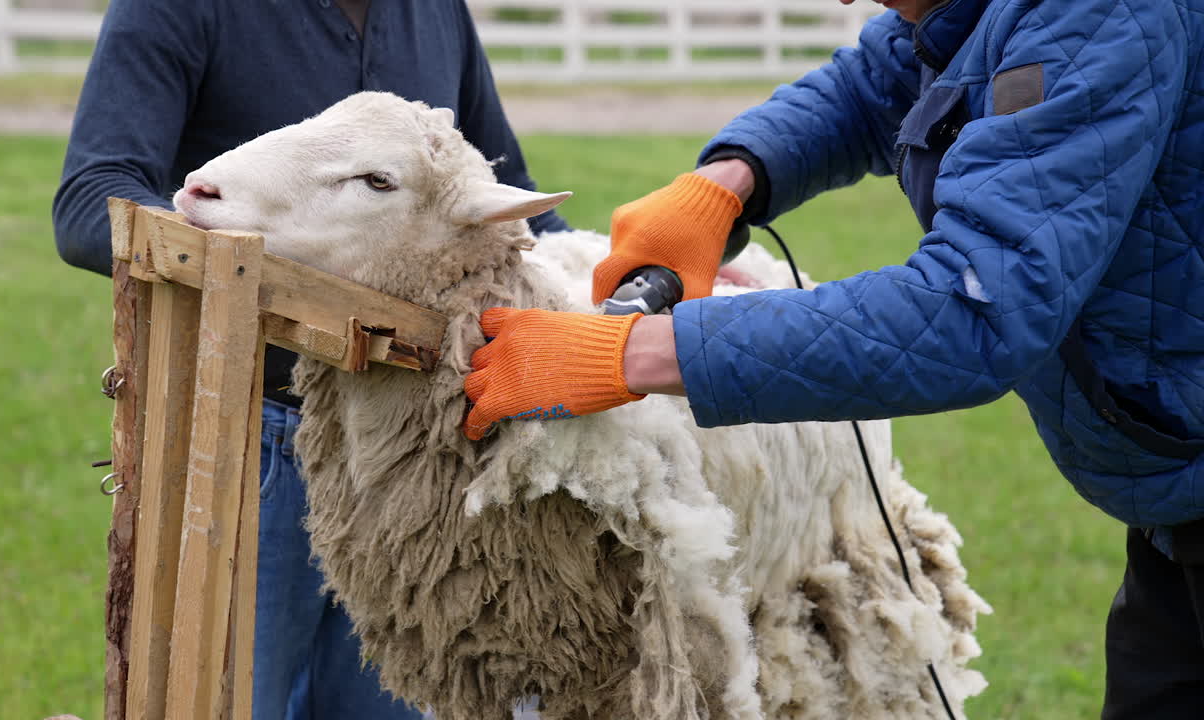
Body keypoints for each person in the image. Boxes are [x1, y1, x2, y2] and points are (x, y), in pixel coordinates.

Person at [462, 0, 1204, 717]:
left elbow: (971, 307)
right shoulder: (959, 15)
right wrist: (726, 181)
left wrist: (636, 352)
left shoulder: (1105, 13)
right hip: (1177, 497)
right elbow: (870, 88)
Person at [52, 1, 564, 717]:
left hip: (407, 475)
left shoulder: (433, 11)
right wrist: (231, 263)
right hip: (239, 443)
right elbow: (87, 203)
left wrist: (637, 281)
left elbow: (506, 204)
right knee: (229, 702)